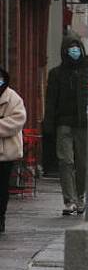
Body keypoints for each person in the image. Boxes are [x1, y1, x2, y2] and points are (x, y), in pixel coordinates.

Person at [43, 31, 88, 215]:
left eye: (77, 47)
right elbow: (51, 100)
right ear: (65, 51)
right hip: (64, 124)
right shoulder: (56, 74)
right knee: (65, 161)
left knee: (83, 163)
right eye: (71, 48)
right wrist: (49, 125)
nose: (74, 51)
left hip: (83, 124)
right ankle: (69, 199)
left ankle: (80, 196)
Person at [0, 66, 27, 234]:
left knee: (2, 188)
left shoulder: (12, 97)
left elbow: (18, 120)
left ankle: (0, 217)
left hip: (6, 153)